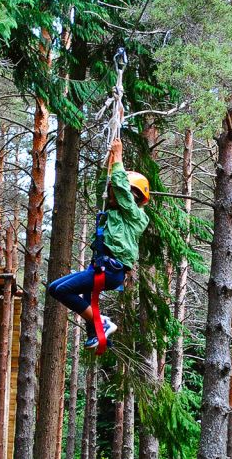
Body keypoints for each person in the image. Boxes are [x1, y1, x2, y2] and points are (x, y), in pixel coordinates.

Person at [47, 138, 150, 349]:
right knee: (54, 288)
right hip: (100, 266)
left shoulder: (135, 215)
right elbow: (105, 187)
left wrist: (119, 157)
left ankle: (101, 322)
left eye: (117, 190)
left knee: (62, 291)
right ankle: (97, 331)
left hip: (111, 270)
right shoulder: (112, 213)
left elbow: (121, 190)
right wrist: (110, 163)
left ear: (134, 196)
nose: (112, 192)